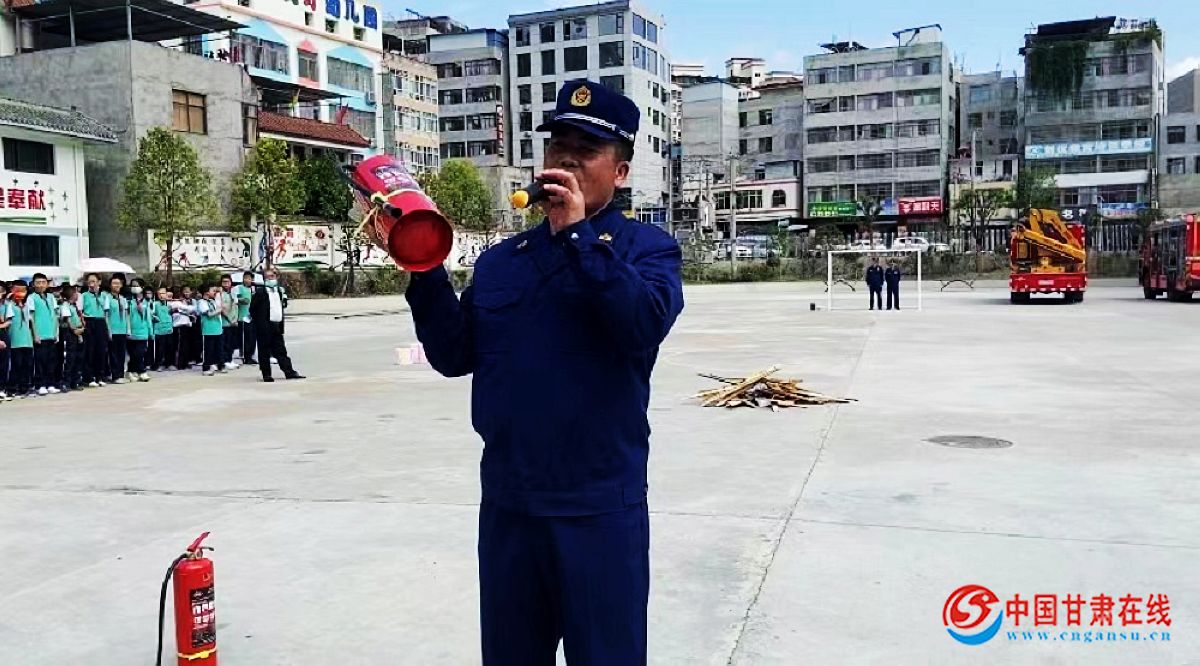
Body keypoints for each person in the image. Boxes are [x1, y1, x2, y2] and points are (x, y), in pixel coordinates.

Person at [404, 79, 684, 665]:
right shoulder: (504, 262)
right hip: (511, 508)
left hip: (599, 509)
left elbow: (641, 325)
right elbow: (454, 356)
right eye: (558, 146)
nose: (567, 160)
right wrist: (423, 265)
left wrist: (579, 235)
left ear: (621, 172)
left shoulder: (646, 250)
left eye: (587, 150)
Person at [250, 268, 302, 382]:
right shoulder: (260, 292)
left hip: (276, 325)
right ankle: (266, 374)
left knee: (281, 350)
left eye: (272, 276)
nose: (270, 279)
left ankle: (289, 371)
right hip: (264, 326)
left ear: (276, 277)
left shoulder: (279, 291)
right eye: (267, 277)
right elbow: (252, 309)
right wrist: (259, 323)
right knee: (264, 351)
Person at [28, 273, 60, 395]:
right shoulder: (31, 297)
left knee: (51, 360)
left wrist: (56, 332)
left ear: (47, 284)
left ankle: (50, 384)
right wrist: (35, 334)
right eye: (38, 282)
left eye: (43, 282)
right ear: (33, 284)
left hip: (51, 333)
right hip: (40, 334)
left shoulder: (51, 297)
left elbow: (56, 315)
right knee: (40, 361)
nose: (41, 285)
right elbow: (31, 317)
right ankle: (40, 385)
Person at [4, 281, 34, 398]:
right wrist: (9, 299)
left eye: (23, 290)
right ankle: (11, 388)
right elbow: (8, 321)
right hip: (15, 341)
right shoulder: (8, 305)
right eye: (17, 290)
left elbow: (30, 321)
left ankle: (24, 388)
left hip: (27, 340)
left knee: (27, 365)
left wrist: (34, 335)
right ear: (12, 290)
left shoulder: (26, 305)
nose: (20, 293)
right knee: (16, 365)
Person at [80, 273, 109, 387]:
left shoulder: (104, 295)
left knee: (101, 350)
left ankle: (100, 376)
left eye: (94, 281)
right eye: (89, 281)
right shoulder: (84, 295)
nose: (91, 283)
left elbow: (106, 311)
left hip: (101, 322)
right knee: (89, 350)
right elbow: (80, 310)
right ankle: (89, 377)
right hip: (89, 321)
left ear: (99, 282)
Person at [58, 284, 86, 392]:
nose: (77, 295)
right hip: (70, 333)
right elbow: (68, 321)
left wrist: (82, 328)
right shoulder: (65, 305)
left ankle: (75, 381)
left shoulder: (74, 306)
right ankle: (66, 382)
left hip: (78, 331)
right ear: (71, 294)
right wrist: (76, 332)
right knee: (70, 358)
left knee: (78, 358)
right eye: (76, 292)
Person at [104, 275, 130, 383]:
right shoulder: (108, 298)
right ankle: (115, 376)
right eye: (114, 283)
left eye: (118, 283)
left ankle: (121, 374)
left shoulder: (123, 299)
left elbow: (126, 315)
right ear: (110, 285)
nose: (116, 285)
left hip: (122, 330)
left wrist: (128, 329)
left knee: (121, 354)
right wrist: (108, 330)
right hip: (113, 330)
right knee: (113, 354)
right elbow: (106, 315)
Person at [196, 284, 226, 376]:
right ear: (206, 292)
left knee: (219, 349)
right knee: (208, 349)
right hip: (208, 330)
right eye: (213, 290)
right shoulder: (201, 302)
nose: (215, 292)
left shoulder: (212, 301)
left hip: (218, 329)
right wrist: (219, 310)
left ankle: (220, 365)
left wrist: (220, 294)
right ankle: (206, 368)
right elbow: (209, 314)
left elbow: (220, 306)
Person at [127, 278, 153, 382]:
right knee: (133, 354)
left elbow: (148, 318)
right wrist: (128, 330)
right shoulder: (129, 301)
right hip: (132, 332)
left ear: (142, 287)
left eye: (136, 285)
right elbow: (127, 317)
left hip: (143, 332)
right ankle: (137, 371)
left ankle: (137, 371)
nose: (134, 287)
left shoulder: (147, 301)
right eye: (132, 285)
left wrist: (150, 332)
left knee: (140, 353)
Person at [151, 288, 177, 371]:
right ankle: (158, 365)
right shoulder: (155, 304)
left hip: (169, 329)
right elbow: (151, 314)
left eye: (163, 293)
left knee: (170, 347)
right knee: (160, 349)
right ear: (157, 295)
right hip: (159, 330)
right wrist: (154, 318)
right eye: (160, 294)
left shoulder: (169, 304)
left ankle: (169, 364)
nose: (162, 295)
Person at [236, 272, 257, 364]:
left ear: (252, 279)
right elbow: (234, 298)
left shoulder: (254, 289)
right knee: (245, 338)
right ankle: (245, 357)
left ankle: (251, 355)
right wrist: (241, 300)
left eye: (249, 278)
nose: (247, 280)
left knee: (252, 338)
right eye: (245, 278)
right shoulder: (239, 288)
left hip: (254, 317)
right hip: (243, 317)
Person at [219, 274, 239, 370]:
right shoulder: (220, 294)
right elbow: (222, 309)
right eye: (224, 282)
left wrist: (235, 319)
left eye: (228, 282)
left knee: (232, 343)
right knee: (225, 343)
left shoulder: (233, 293)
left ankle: (230, 359)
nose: (226, 284)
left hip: (234, 322)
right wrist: (229, 319)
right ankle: (225, 361)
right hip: (225, 323)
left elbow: (236, 306)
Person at [0, 282, 10, 401]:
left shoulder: (6, 305)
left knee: (4, 364)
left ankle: (2, 389)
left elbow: (9, 321)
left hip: (3, 333)